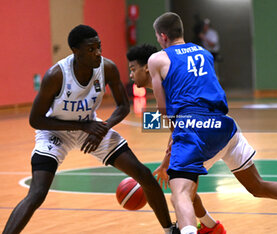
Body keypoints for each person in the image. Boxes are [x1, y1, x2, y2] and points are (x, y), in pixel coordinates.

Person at [144, 12, 277, 234]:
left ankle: (206, 228)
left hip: (196, 128)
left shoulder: (157, 59)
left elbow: (164, 111)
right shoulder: (204, 53)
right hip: (225, 126)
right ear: (180, 31)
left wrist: (173, 143)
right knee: (256, 186)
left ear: (162, 36)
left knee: (180, 193)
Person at [2, 25, 179, 234]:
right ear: (76, 51)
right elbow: (36, 120)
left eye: (99, 47)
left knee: (143, 175)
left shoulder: (107, 68)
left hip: (93, 127)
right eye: (91, 49)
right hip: (55, 131)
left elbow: (123, 106)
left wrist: (103, 128)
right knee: (38, 192)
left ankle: (170, 230)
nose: (98, 53)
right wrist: (82, 126)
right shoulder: (56, 75)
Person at [127, 44, 226, 234]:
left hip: (204, 133)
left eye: (133, 69)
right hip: (200, 132)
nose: (131, 75)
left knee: (180, 192)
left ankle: (203, 227)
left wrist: (166, 161)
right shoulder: (163, 85)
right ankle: (211, 226)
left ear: (146, 67)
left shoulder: (170, 87)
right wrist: (166, 161)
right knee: (182, 188)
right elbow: (175, 129)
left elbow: (177, 127)